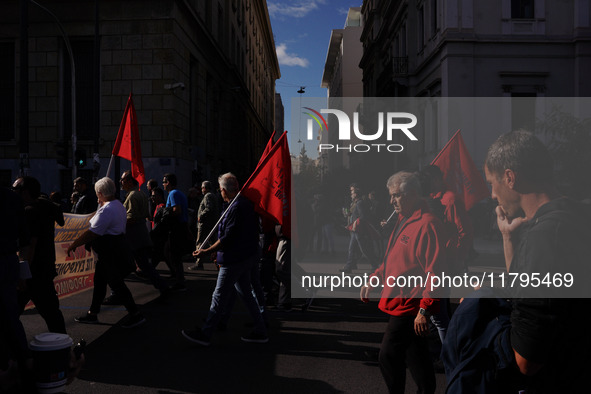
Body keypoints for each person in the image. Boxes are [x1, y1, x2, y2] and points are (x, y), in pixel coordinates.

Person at [482, 130, 591, 392]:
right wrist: (508, 237)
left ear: (510, 178)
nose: (493, 195)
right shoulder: (577, 213)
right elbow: (527, 292)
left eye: (491, 183)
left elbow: (526, 359)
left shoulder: (544, 237)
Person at [360, 171, 445, 394]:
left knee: (388, 356)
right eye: (391, 196)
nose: (391, 201)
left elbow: (434, 272)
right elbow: (392, 258)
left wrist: (425, 309)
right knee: (415, 354)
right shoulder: (403, 219)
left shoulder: (429, 224)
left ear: (413, 194)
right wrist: (375, 277)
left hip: (411, 305)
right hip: (400, 299)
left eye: (396, 195)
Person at [182, 173, 268, 346]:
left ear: (223, 190)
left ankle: (206, 333)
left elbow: (228, 236)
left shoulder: (236, 206)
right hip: (241, 256)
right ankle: (260, 330)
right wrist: (215, 251)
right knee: (245, 294)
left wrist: (207, 250)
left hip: (234, 258)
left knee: (219, 295)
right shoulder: (237, 204)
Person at [67, 177, 145, 328]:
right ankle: (93, 313)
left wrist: (74, 244)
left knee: (116, 285)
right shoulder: (117, 205)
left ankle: (136, 314)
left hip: (109, 252)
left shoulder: (107, 209)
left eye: (97, 193)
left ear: (100, 193)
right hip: (115, 249)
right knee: (100, 283)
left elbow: (92, 233)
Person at [12, 176, 67, 334]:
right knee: (52, 314)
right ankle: (63, 349)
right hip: (44, 271)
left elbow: (30, 246)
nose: (12, 192)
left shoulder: (30, 212)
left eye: (15, 189)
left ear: (25, 193)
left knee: (8, 315)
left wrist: (22, 276)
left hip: (32, 273)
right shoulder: (45, 207)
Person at [119, 171, 168, 297]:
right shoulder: (140, 194)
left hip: (134, 238)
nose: (121, 182)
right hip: (140, 236)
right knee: (144, 266)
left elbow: (131, 218)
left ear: (130, 181)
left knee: (127, 267)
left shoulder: (132, 196)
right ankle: (163, 287)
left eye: (123, 180)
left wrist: (117, 224)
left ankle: (117, 292)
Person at [340, 184, 380, 273]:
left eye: (352, 193)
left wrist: (354, 223)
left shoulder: (360, 203)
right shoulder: (356, 203)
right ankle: (349, 266)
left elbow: (362, 216)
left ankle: (374, 265)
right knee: (352, 248)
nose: (351, 194)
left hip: (358, 230)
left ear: (356, 194)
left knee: (364, 249)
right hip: (355, 230)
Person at [162, 173, 192, 291]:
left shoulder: (173, 194)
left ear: (168, 182)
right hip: (181, 226)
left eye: (164, 182)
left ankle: (180, 282)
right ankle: (177, 277)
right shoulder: (179, 193)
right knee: (171, 253)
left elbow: (177, 210)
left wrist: (165, 213)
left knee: (173, 254)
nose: (163, 185)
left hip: (176, 228)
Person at [188, 180, 220, 271]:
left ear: (205, 188)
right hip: (211, 224)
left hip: (205, 224)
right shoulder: (212, 195)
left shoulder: (207, 196)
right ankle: (218, 262)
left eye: (202, 187)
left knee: (200, 243)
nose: (201, 190)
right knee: (213, 244)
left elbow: (208, 208)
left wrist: (201, 215)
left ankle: (199, 263)